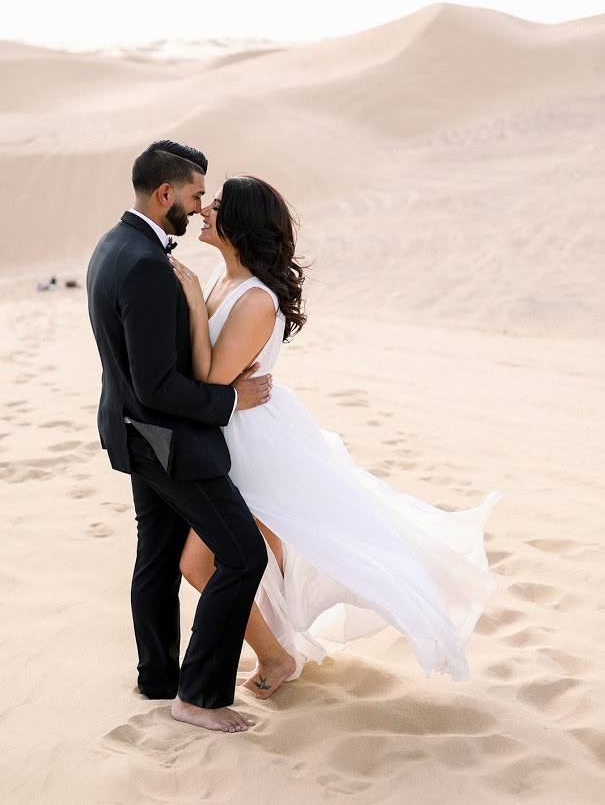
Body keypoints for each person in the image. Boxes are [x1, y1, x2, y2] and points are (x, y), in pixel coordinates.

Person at [169, 175, 500, 700]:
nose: (204, 210)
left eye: (217, 205)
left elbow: (208, 383)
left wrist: (188, 302)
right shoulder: (222, 278)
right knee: (251, 553)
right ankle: (273, 649)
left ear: (241, 224)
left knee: (200, 563)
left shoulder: (254, 300)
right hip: (232, 433)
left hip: (253, 444)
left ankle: (274, 655)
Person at [86, 141, 272, 733]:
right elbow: (158, 385)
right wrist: (229, 399)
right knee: (243, 556)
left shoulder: (114, 245)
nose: (198, 209)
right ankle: (199, 697)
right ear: (164, 193)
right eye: (194, 196)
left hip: (132, 433)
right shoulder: (144, 263)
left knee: (159, 555)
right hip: (166, 441)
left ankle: (159, 676)